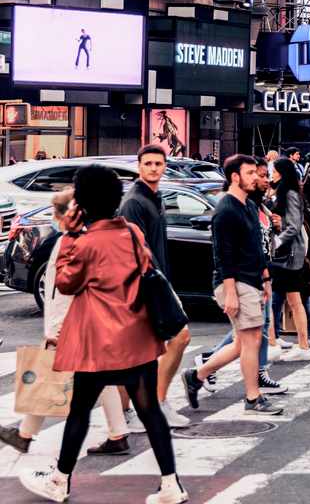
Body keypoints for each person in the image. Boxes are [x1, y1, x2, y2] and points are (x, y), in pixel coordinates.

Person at [20, 166, 184, 504]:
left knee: (79, 411)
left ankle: (60, 480)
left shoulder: (83, 244)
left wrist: (67, 235)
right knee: (149, 409)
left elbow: (66, 282)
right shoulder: (133, 232)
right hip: (138, 336)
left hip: (100, 343)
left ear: (81, 203)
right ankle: (171, 484)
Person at [1, 189, 131, 458]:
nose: (52, 217)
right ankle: (117, 434)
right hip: (88, 322)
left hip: (71, 325)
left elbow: (62, 291)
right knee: (99, 376)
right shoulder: (89, 239)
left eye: (53, 213)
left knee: (46, 374)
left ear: (64, 216)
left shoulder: (69, 243)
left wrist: (55, 330)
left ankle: (25, 435)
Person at [182, 155, 284, 416]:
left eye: (256, 172)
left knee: (242, 343)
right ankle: (253, 398)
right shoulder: (225, 210)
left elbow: (255, 247)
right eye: (250, 173)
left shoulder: (249, 205)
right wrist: (230, 293)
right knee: (250, 342)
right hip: (236, 282)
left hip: (252, 280)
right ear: (234, 177)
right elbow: (223, 256)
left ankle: (197, 375)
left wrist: (265, 278)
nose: (256, 177)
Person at [118, 144, 192, 428]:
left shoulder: (153, 196)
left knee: (141, 351)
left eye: (158, 164)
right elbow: (136, 250)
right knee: (178, 337)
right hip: (145, 285)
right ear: (139, 166)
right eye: (148, 163)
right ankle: (153, 405)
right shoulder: (134, 201)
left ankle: (135, 410)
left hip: (154, 282)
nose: (153, 168)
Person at [268, 158, 310, 363]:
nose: (272, 174)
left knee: (294, 301)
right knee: (291, 300)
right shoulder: (281, 192)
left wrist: (278, 238)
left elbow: (294, 226)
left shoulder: (291, 194)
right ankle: (295, 343)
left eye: (274, 171)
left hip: (290, 254)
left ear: (282, 173)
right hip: (286, 255)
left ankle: (303, 345)